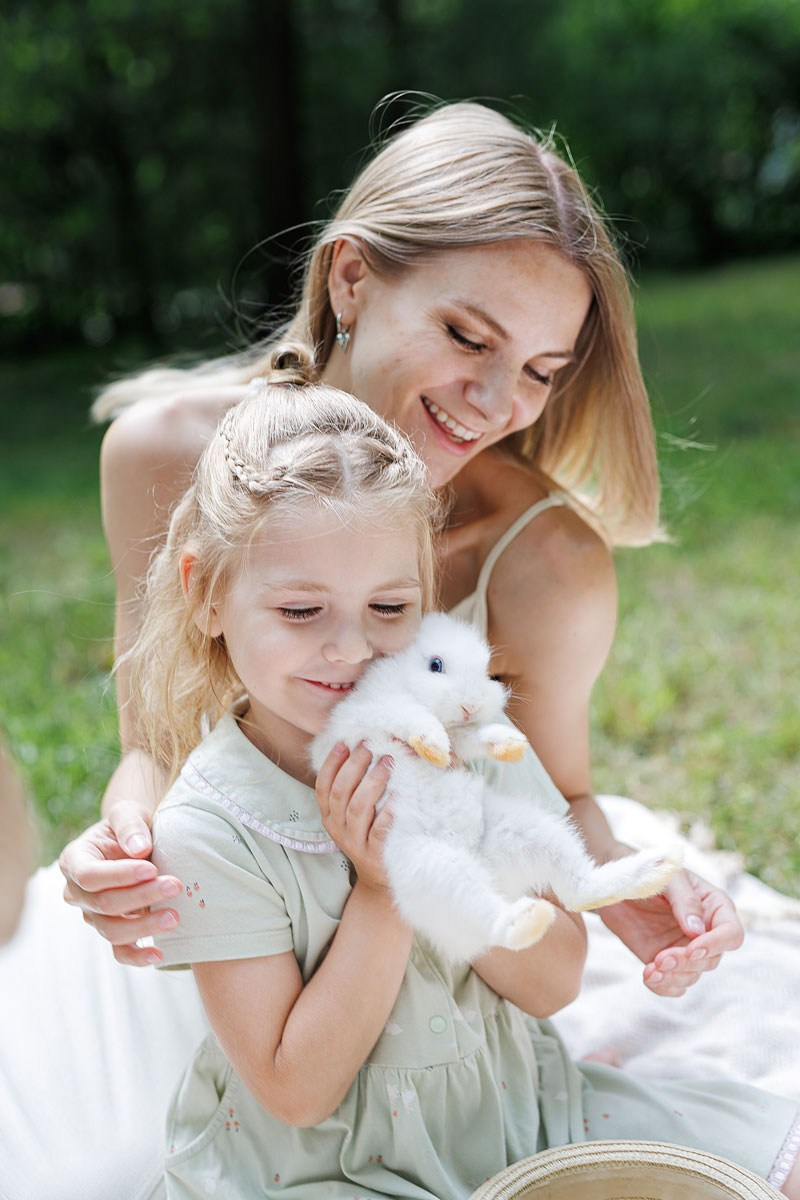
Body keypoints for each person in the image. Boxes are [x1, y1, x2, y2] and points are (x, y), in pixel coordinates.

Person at [0, 101, 775, 1199]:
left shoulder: (541, 559)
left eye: (542, 370)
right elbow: (156, 742)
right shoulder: (163, 454)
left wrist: (604, 882)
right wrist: (121, 838)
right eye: (468, 337)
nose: (497, 401)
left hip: (428, 896)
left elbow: (556, 793)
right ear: (352, 279)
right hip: (230, 904)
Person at [134, 369, 798, 1198]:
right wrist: (384, 888)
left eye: (388, 608)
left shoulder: (465, 739)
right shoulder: (212, 825)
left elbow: (554, 983)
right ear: (208, 595)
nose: (350, 648)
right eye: (301, 612)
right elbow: (297, 1091)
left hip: (521, 1119)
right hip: (334, 1170)